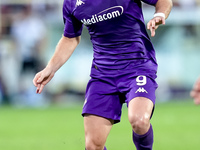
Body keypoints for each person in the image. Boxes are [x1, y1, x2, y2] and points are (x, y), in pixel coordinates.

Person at [33, 0, 172, 149]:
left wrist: (159, 14)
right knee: (93, 145)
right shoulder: (71, 3)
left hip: (138, 66)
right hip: (103, 75)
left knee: (139, 120)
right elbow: (70, 38)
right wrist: (50, 68)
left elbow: (163, 1)